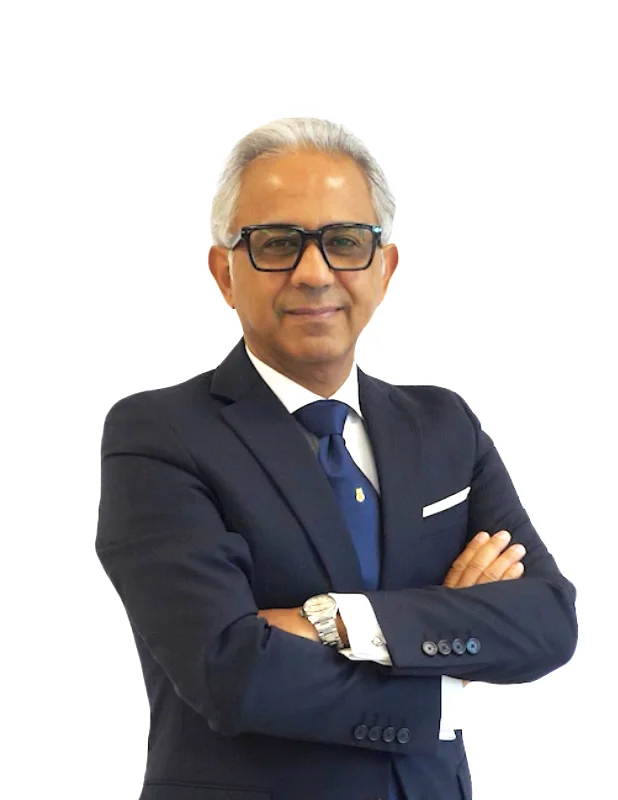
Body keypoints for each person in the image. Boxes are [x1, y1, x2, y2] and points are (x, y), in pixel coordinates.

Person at [95, 117, 577, 800]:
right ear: (225, 273)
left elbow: (548, 621)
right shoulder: (160, 434)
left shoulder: (444, 427)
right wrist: (442, 674)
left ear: (384, 268)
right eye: (277, 243)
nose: (314, 273)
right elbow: (231, 671)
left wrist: (341, 620)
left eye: (345, 242)